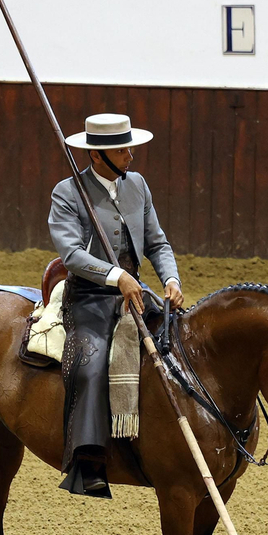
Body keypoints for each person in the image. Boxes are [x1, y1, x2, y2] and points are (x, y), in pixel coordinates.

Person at [48, 113, 185, 498]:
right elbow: (72, 254)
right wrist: (116, 277)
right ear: (98, 156)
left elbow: (157, 243)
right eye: (123, 148)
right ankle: (88, 459)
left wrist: (171, 279)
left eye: (130, 145)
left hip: (137, 294)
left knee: (179, 347)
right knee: (90, 365)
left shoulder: (138, 185)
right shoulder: (68, 192)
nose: (132, 154)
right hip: (90, 297)